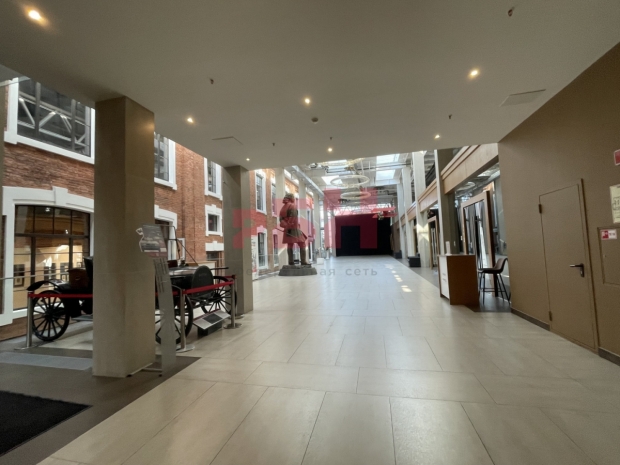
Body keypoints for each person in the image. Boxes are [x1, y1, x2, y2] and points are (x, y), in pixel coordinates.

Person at [279, 193, 311, 266]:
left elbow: (281, 219)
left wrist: (286, 226)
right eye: (293, 197)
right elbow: (293, 217)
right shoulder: (292, 205)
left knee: (290, 244)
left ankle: (291, 262)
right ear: (291, 198)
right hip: (294, 228)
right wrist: (289, 225)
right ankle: (303, 261)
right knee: (302, 243)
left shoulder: (283, 208)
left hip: (287, 229)